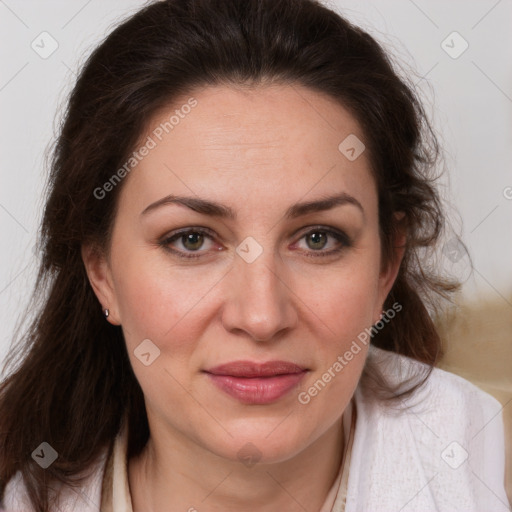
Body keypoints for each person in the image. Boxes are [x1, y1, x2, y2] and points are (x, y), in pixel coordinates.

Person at [0, 0, 509, 511]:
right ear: (102, 271)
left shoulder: (490, 472)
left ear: (386, 268)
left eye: (318, 238)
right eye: (192, 239)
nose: (262, 317)